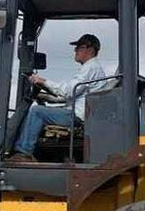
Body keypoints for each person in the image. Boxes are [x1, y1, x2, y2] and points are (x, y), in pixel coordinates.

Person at [8, 34, 108, 162]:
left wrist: (42, 81)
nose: (75, 50)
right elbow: (70, 96)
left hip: (76, 116)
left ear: (90, 49)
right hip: (77, 112)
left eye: (79, 47)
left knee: (36, 111)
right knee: (40, 110)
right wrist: (46, 96)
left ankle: (23, 152)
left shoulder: (91, 67)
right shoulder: (92, 68)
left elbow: (68, 91)